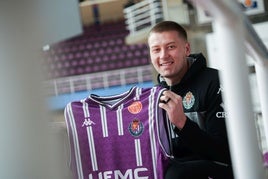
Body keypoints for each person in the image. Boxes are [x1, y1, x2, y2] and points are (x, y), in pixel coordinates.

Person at [147, 21, 234, 179]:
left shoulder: (216, 82)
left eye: (171, 47)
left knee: (174, 175)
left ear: (186, 49)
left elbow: (225, 153)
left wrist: (183, 124)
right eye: (156, 50)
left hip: (220, 168)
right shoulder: (154, 95)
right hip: (177, 170)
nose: (163, 55)